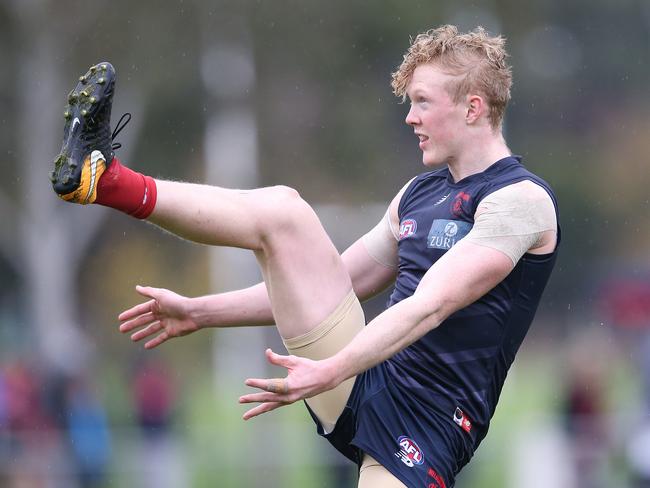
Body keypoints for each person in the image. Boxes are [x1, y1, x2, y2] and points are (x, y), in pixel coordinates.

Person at [50, 25, 559, 488]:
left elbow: (430, 305)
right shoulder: (417, 193)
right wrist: (199, 312)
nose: (410, 117)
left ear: (472, 108)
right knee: (284, 214)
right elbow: (334, 280)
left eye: (423, 102)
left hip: (424, 426)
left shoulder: (520, 202)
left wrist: (331, 369)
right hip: (362, 376)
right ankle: (106, 179)